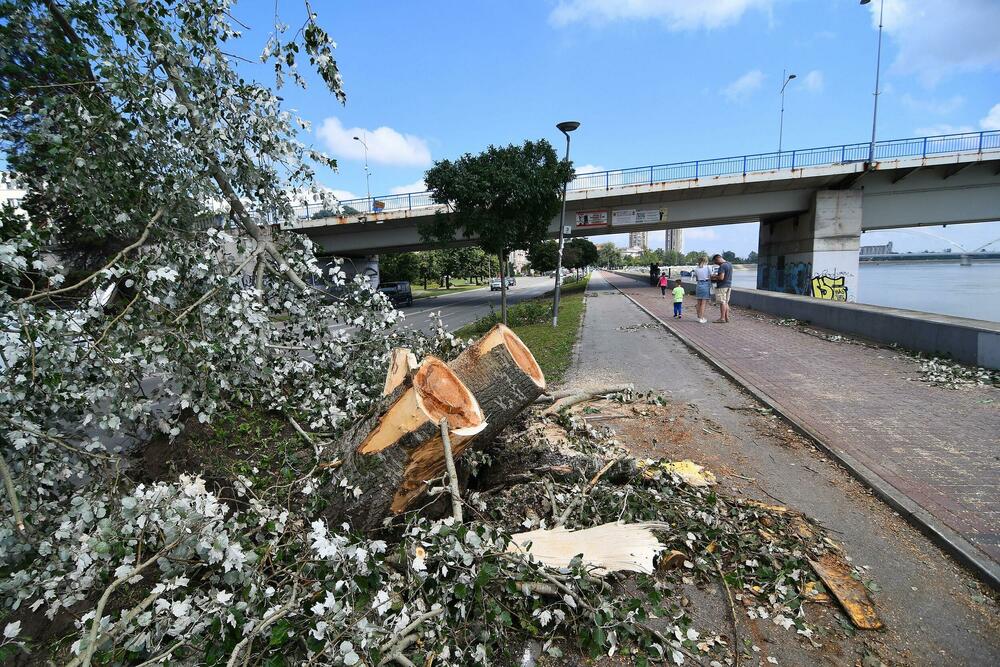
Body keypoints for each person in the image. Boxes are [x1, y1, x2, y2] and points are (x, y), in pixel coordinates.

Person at [710, 253, 733, 323]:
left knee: (722, 302)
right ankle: (727, 317)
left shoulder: (722, 266)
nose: (717, 264)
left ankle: (722, 318)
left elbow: (721, 277)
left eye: (716, 262)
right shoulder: (729, 264)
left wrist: (714, 276)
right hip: (729, 285)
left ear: (718, 259)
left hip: (722, 286)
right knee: (726, 302)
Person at [693, 256, 711, 323]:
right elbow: (710, 276)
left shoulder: (696, 268)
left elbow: (697, 278)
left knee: (698, 302)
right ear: (706, 261)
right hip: (705, 284)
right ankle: (701, 318)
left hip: (698, 285)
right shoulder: (708, 267)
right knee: (703, 303)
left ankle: (698, 316)